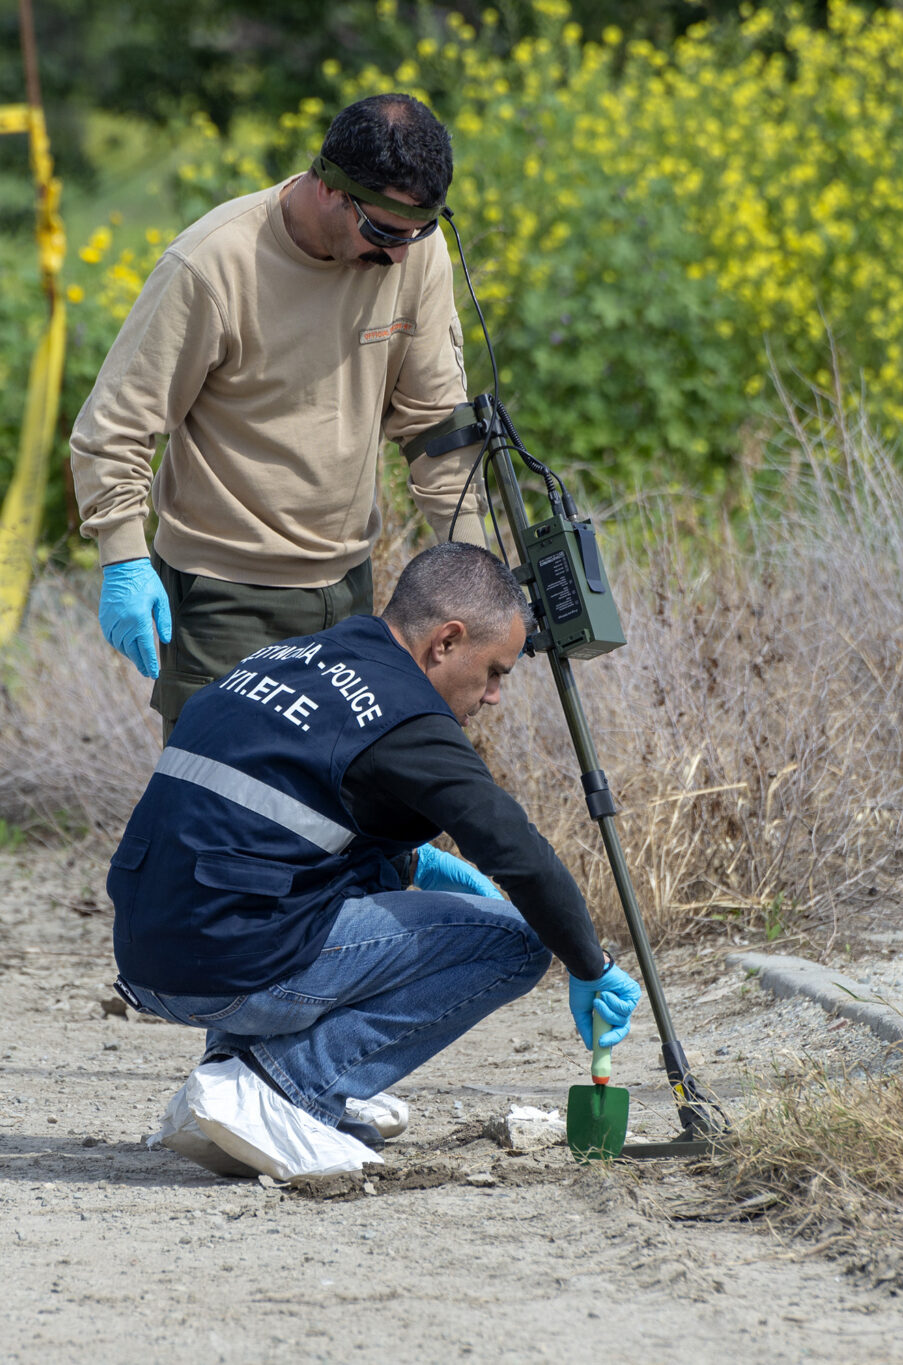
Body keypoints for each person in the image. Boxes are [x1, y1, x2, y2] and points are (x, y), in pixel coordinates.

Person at [106, 543, 645, 1179]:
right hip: (232, 971)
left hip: (148, 957)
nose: (495, 695)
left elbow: (276, 821)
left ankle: (226, 1082)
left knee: (310, 890)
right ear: (446, 641)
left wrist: (412, 866)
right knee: (519, 942)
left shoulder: (288, 657)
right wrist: (588, 963)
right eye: (496, 670)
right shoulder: (405, 715)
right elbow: (520, 855)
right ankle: (284, 1086)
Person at [68, 92, 492, 740]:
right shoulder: (213, 264)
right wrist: (123, 557)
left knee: (341, 816)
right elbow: (116, 427)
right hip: (223, 598)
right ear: (328, 188)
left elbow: (436, 424)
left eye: (418, 234)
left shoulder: (412, 253)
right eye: (382, 232)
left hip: (348, 590)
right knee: (225, 818)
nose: (400, 255)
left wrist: (474, 568)